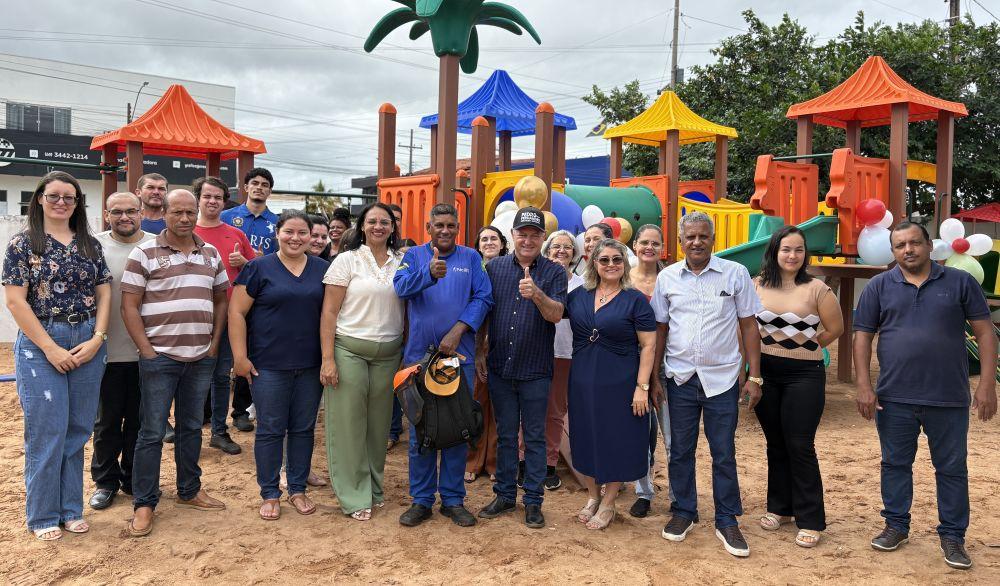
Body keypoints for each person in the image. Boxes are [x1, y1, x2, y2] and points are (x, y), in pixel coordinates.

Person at [854, 222, 996, 570]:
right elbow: (862, 336)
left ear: (928, 245)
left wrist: (987, 384)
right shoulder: (878, 286)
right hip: (894, 397)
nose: (908, 250)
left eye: (914, 242)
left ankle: (952, 536)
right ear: (893, 251)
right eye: (900, 245)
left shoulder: (960, 283)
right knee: (894, 464)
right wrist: (863, 385)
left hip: (948, 397)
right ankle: (896, 526)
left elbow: (986, 332)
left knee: (951, 468)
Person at [3, 171, 111, 541]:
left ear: (78, 202)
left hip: (87, 339)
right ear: (39, 199)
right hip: (41, 340)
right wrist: (49, 347)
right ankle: (43, 514)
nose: (62, 202)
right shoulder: (22, 244)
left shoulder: (89, 245)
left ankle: (70, 509)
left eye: (70, 197)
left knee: (78, 429)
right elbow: (16, 301)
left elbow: (105, 292)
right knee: (47, 430)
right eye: (54, 196)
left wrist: (98, 337)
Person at [651, 211, 763, 558]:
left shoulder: (735, 274)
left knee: (723, 452)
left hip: (723, 379)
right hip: (679, 378)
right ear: (680, 242)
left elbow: (748, 327)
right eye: (690, 237)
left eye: (703, 236)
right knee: (680, 450)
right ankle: (684, 511)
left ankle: (727, 519)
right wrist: (655, 377)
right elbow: (660, 329)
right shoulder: (667, 278)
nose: (696, 242)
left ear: (712, 240)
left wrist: (754, 375)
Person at [121, 189, 229, 537]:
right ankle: (145, 503)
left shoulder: (210, 253)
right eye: (177, 212)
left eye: (190, 212)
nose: (184, 218)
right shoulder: (144, 253)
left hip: (200, 358)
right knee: (151, 432)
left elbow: (221, 299)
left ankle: (189, 490)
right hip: (159, 359)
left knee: (192, 428)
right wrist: (147, 351)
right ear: (163, 213)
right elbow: (129, 306)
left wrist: (213, 344)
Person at [394, 204, 493, 528]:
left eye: (451, 225)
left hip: (457, 359)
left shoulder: (470, 258)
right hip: (419, 360)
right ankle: (421, 500)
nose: (446, 231)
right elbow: (400, 287)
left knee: (455, 428)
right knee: (421, 431)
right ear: (428, 227)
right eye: (440, 225)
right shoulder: (414, 257)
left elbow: (483, 298)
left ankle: (452, 500)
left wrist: (459, 329)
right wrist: (427, 274)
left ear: (459, 227)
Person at [229, 210, 329, 521]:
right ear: (278, 233)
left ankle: (297, 488)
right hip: (268, 365)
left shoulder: (323, 269)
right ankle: (270, 492)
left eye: (303, 233)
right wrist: (240, 357)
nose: (296, 238)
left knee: (302, 429)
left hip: (310, 365)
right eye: (289, 232)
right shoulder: (259, 268)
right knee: (271, 430)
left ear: (312, 237)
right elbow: (236, 313)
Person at [478, 207, 568, 529]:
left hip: (536, 370)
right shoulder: (496, 268)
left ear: (542, 238)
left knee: (534, 437)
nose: (528, 240)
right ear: (513, 236)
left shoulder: (555, 272)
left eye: (534, 235)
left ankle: (533, 500)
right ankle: (504, 495)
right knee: (504, 436)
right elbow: (484, 314)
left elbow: (557, 314)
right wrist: (478, 351)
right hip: (501, 366)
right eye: (522, 234)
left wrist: (537, 294)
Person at [754, 226, 843, 548]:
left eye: (798, 250)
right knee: (775, 443)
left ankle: (810, 518)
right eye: (786, 249)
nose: (792, 256)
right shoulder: (757, 285)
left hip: (804, 375)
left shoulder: (817, 288)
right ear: (775, 252)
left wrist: (805, 346)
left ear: (805, 255)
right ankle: (780, 507)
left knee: (800, 445)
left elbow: (836, 328)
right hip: (765, 373)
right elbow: (747, 327)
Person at [320, 203, 405, 521]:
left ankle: (374, 487)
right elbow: (329, 312)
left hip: (389, 354)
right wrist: (328, 358)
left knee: (378, 426)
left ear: (393, 227)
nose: (379, 226)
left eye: (385, 222)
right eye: (373, 221)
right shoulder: (347, 260)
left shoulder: (403, 261)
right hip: (349, 350)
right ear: (362, 226)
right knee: (349, 424)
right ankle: (354, 494)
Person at [567, 238, 656, 530]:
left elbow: (649, 346)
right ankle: (593, 495)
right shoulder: (578, 295)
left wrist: (641, 387)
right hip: (582, 379)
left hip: (621, 381)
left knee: (616, 438)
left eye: (617, 259)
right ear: (594, 262)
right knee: (586, 435)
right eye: (604, 260)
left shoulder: (635, 299)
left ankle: (609, 501)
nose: (611, 265)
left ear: (624, 263)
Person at [89, 193, 155, 511]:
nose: (124, 216)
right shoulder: (92, 245)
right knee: (107, 423)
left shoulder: (157, 244)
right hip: (106, 351)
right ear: (106, 214)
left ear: (141, 213)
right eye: (117, 212)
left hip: (149, 352)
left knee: (141, 423)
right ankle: (105, 482)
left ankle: (132, 479)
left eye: (131, 211)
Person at [517, 230, 583, 491]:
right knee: (530, 409)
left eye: (568, 247)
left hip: (565, 352)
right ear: (547, 250)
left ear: (575, 254)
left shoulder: (582, 283)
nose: (562, 251)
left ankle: (548, 463)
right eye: (556, 246)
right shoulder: (535, 279)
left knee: (555, 412)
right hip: (535, 350)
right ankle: (524, 462)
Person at [193, 176, 254, 456]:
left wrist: (245, 262)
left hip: (229, 316)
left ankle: (219, 430)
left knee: (220, 376)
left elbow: (257, 269)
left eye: (218, 197)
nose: (213, 201)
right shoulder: (186, 230)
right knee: (189, 375)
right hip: (192, 317)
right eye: (207, 196)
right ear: (199, 199)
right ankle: (189, 430)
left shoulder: (235, 234)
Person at [221, 168, 279, 433]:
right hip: (225, 294)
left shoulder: (276, 223)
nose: (259, 188)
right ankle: (209, 412)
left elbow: (281, 262)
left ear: (269, 190)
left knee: (249, 352)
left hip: (261, 296)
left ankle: (241, 411)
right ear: (245, 187)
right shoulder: (227, 217)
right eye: (254, 183)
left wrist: (251, 262)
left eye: (264, 184)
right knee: (217, 355)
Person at [628, 224, 675, 519]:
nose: (649, 247)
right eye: (644, 242)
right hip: (633, 365)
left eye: (655, 243)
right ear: (634, 245)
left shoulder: (671, 279)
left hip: (671, 365)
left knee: (674, 435)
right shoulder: (624, 279)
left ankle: (678, 494)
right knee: (640, 433)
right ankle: (643, 491)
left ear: (662, 247)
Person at [466, 225, 508, 483]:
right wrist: (478, 347)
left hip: (503, 343)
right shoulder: (471, 270)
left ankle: (493, 463)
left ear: (503, 244)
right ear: (478, 245)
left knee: (500, 407)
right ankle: (472, 460)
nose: (489, 242)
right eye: (484, 239)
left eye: (494, 238)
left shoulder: (510, 270)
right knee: (476, 404)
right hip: (474, 343)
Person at [386, 202, 407, 450]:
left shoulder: (407, 254)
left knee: (398, 383)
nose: (393, 223)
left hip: (404, 328)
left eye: (395, 219)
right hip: (378, 330)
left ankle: (393, 429)